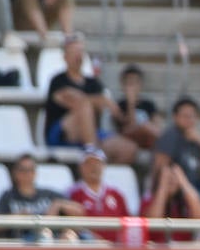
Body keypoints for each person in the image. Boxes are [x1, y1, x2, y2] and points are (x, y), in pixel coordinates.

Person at [43, 34, 136, 163]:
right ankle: (91, 152)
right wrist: (101, 101)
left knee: (128, 149)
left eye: (80, 51)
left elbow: (118, 115)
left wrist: (130, 102)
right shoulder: (58, 80)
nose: (78, 56)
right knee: (84, 106)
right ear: (65, 57)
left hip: (92, 133)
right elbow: (72, 99)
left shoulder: (93, 83)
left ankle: (100, 175)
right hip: (61, 133)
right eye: (74, 52)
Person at [0, 152, 85, 241]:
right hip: (24, 240)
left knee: (74, 236)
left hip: (55, 238)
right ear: (15, 173)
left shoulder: (48, 194)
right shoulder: (8, 196)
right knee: (44, 237)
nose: (27, 174)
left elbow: (80, 211)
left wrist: (58, 205)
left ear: (35, 173)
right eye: (23, 170)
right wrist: (18, 216)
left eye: (30, 170)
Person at [153, 96, 200, 194]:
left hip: (196, 184)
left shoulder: (197, 137)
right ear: (175, 117)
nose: (189, 120)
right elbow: (160, 168)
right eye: (185, 116)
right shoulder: (169, 137)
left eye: (192, 116)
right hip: (177, 188)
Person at [68, 145, 129, 241]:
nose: (93, 167)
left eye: (97, 163)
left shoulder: (116, 194)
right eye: (89, 163)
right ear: (81, 167)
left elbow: (127, 222)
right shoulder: (73, 194)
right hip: (87, 248)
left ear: (104, 166)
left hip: (116, 248)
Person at [114, 64, 162, 151]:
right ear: (123, 85)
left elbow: (156, 126)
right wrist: (131, 104)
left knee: (148, 129)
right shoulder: (119, 105)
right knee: (144, 127)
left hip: (148, 138)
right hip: (127, 139)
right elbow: (128, 126)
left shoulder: (149, 104)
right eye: (128, 83)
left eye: (134, 82)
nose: (131, 87)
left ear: (140, 85)